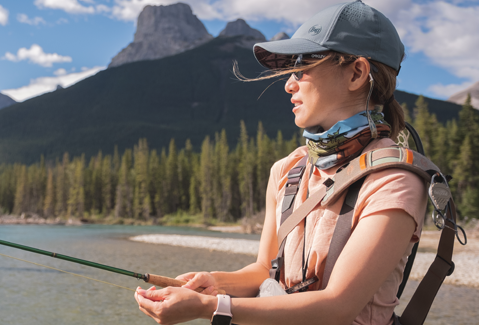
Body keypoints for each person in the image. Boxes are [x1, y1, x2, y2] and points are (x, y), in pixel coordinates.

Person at [134, 1, 427, 324]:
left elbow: (338, 306)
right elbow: (264, 270)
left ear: (356, 73)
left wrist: (210, 307)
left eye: (302, 68)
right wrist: (214, 283)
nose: (289, 83)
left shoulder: (394, 183)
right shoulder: (288, 170)